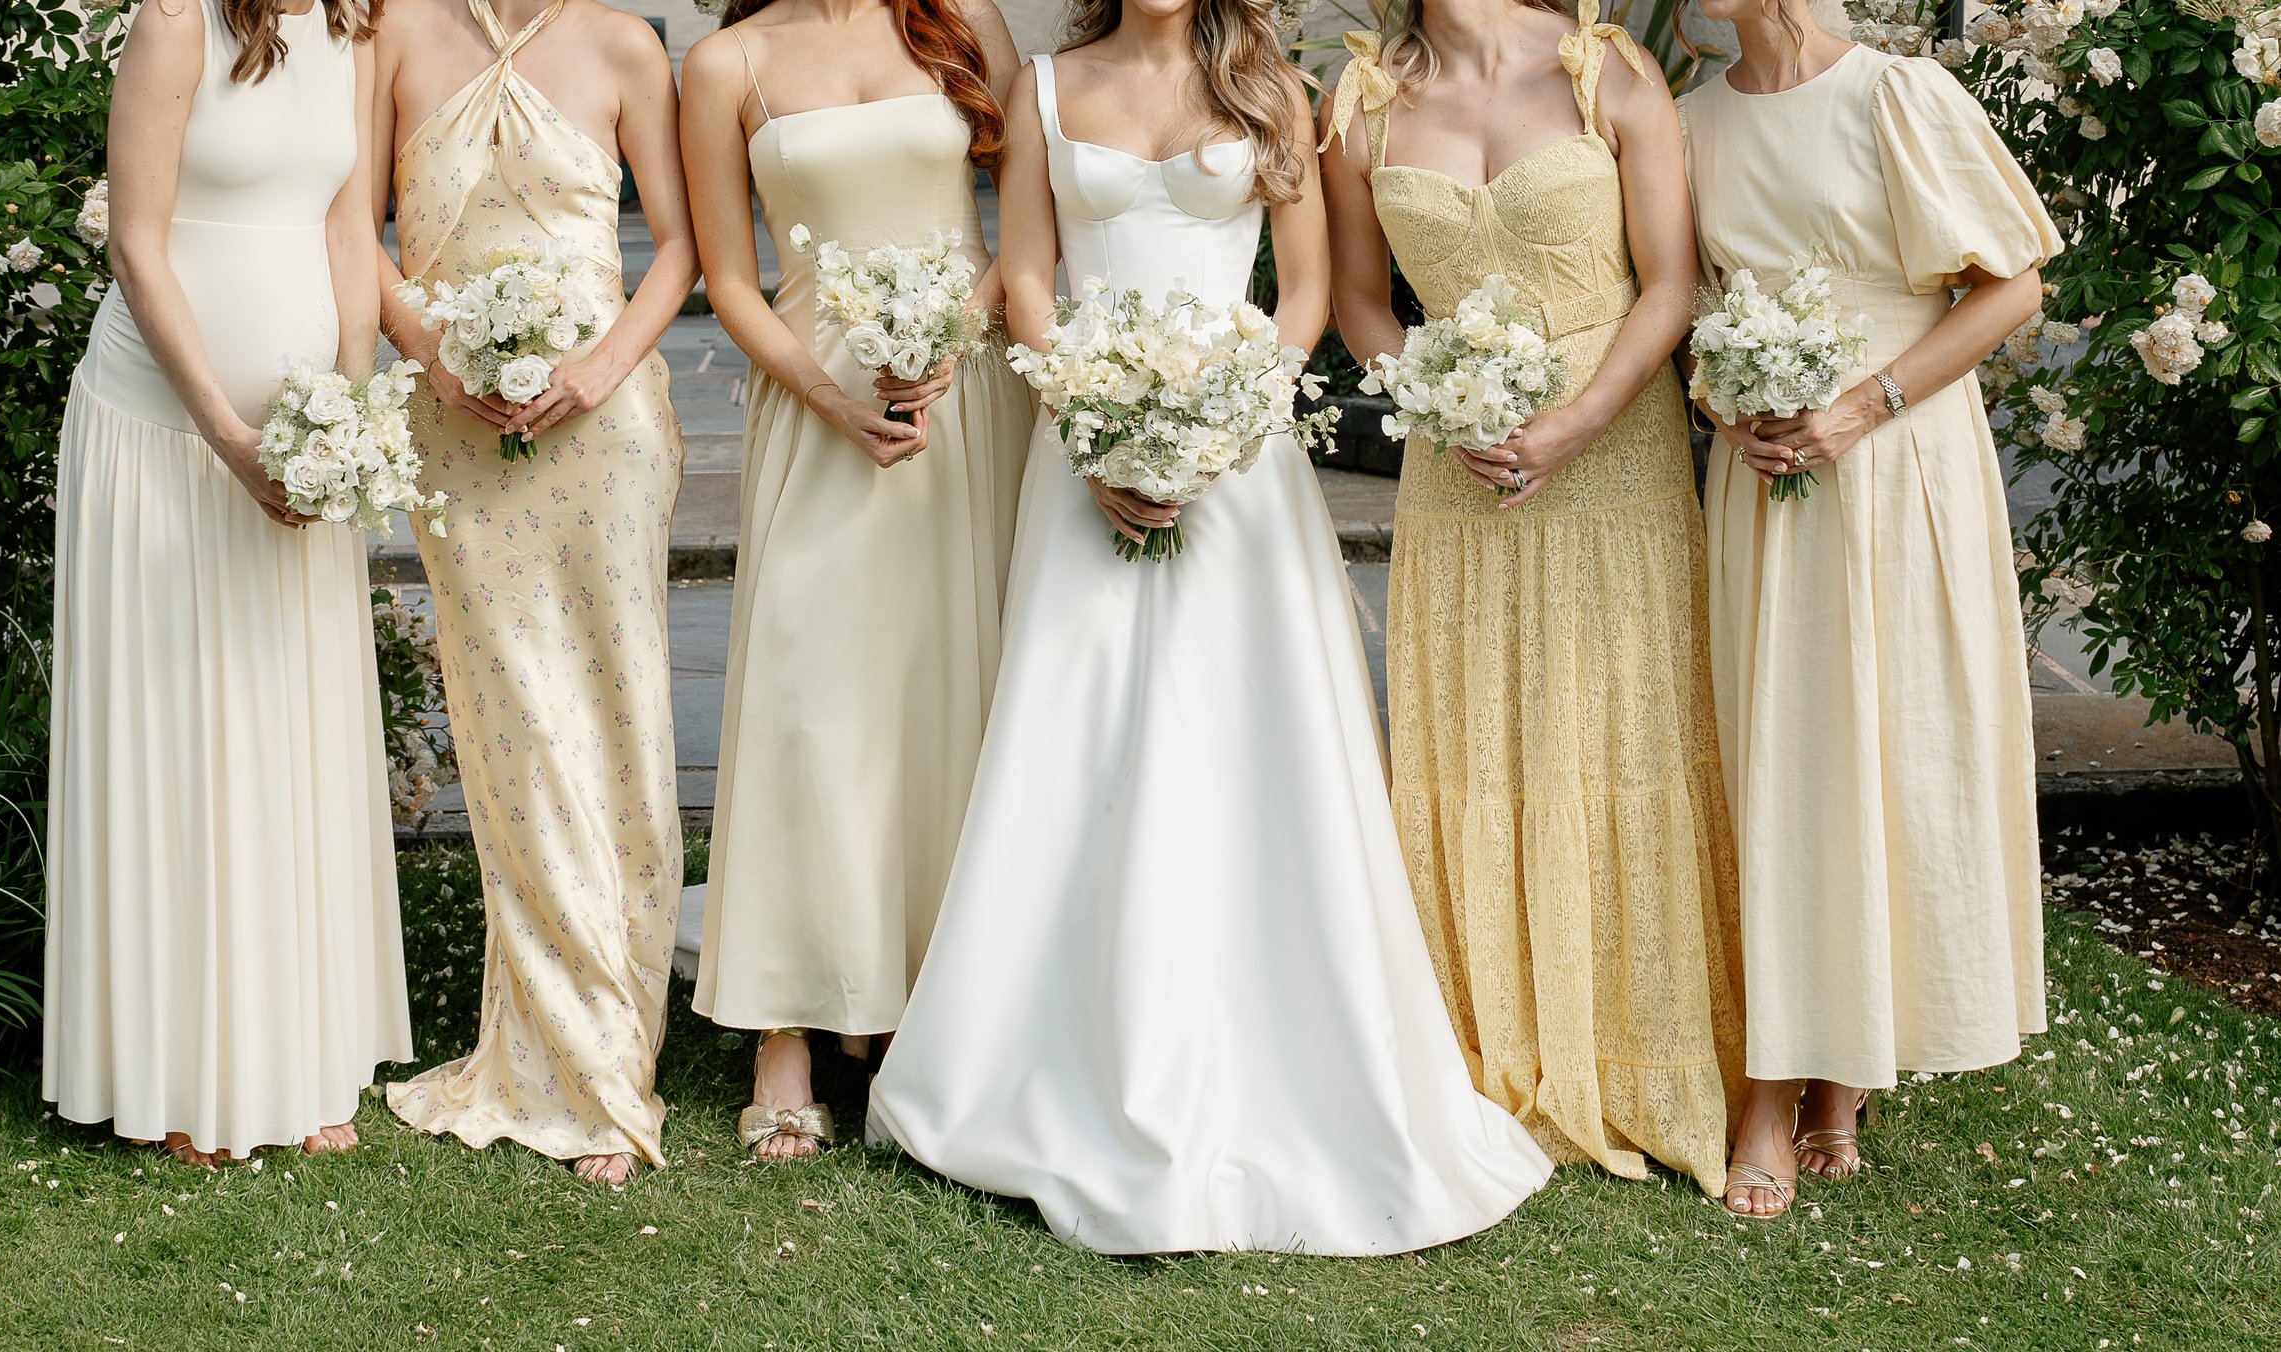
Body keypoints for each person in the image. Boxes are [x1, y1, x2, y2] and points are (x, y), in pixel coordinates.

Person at [865, 0, 1554, 1255]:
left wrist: (1219, 419)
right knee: (1077, 742)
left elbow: (1302, 294)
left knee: (1244, 745)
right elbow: (1027, 274)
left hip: (1238, 461)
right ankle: (1043, 1056)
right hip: (1079, 453)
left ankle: (1277, 1045)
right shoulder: (1049, 89)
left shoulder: (1272, 90)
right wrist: (1089, 419)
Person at [1321, 0, 1745, 1197]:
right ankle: (1485, 1041)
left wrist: (1572, 424)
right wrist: (1438, 401)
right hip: (1456, 470)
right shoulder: (1356, 101)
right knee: (1475, 736)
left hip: (1612, 450)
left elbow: (1669, 284)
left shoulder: (1605, 69)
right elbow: (1362, 303)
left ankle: (1643, 1049)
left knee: (1621, 730)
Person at [1679, 0, 2059, 1218]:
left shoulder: (1897, 94)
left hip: (1898, 462)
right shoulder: (1688, 121)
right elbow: (1692, 312)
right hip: (1765, 481)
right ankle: (1763, 1086)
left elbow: (2011, 289)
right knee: (1777, 759)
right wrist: (1725, 403)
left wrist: (1860, 404)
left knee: (1890, 747)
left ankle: (1843, 1073)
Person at [45, 0, 411, 1167]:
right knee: (184, 738)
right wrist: (227, 435)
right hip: (166, 437)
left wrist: (347, 412)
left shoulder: (353, 25)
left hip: (300, 448)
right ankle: (180, 1071)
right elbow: (137, 246)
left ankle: (296, 1055)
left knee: (285, 736)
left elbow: (351, 225)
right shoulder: (172, 23)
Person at [679, 0, 1033, 1161]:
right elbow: (729, 278)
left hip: (963, 392)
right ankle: (784, 1022)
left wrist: (954, 335)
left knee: (949, 689)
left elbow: (1022, 224)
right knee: (807, 696)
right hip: (816, 397)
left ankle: (915, 997)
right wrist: (833, 398)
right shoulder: (726, 60)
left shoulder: (957, 20)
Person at [374, 0, 699, 1190]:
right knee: (517, 734)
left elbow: (680, 244)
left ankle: (618, 1046)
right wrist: (433, 355)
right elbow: (352, 228)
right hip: (456, 431)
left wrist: (601, 365)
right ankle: (571, 1066)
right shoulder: (399, 34)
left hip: (605, 429)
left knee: (622, 723)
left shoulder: (623, 44)